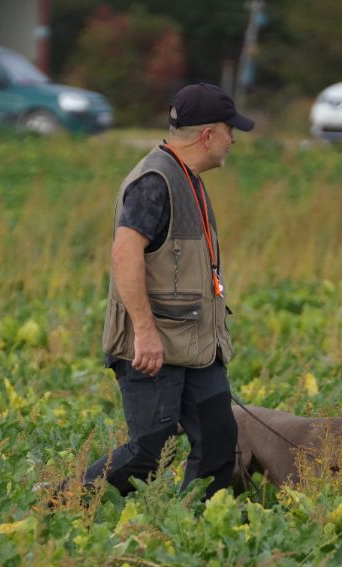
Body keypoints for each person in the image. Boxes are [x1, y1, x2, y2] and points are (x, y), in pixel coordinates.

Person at [81, 82, 255, 500]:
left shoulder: (188, 178)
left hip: (197, 347)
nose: (233, 140)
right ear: (207, 135)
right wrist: (144, 332)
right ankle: (62, 502)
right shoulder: (155, 181)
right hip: (154, 347)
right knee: (148, 453)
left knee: (219, 442)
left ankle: (193, 525)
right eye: (230, 130)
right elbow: (124, 254)